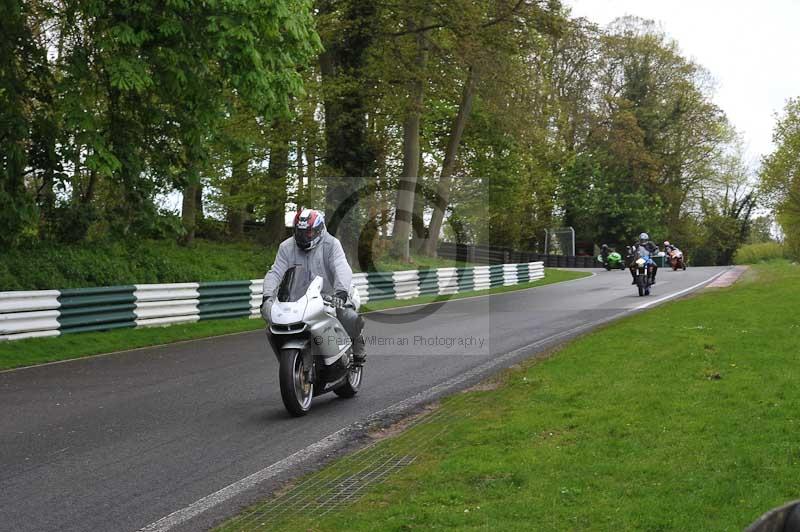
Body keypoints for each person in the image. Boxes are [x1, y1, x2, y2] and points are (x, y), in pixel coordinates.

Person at [261, 208, 366, 364]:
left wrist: (341, 292)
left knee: (347, 316)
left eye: (308, 233)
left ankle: (358, 349)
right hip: (300, 296)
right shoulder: (286, 247)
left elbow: (341, 267)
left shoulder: (331, 244)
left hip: (332, 294)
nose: (304, 237)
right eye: (300, 232)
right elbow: (275, 272)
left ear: (319, 230)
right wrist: (267, 295)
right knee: (275, 321)